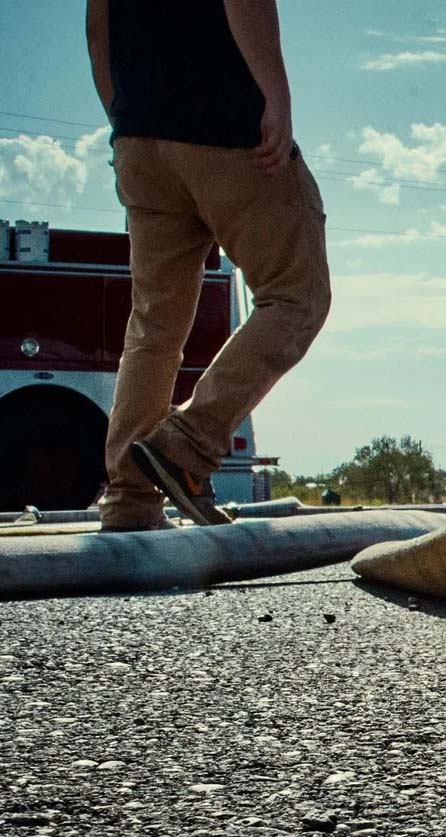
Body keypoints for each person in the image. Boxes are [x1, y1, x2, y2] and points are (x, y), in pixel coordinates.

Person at [86, 0, 331, 530]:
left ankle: (130, 501)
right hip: (224, 128)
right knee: (296, 297)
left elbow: (97, 30)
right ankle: (187, 444)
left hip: (140, 141)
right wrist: (276, 97)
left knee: (155, 326)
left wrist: (126, 121)